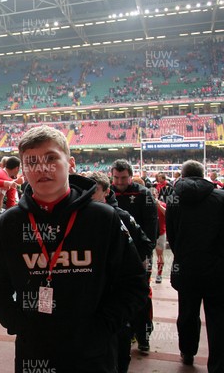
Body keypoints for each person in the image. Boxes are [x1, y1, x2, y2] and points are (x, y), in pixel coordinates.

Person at [0, 126, 148, 372]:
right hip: (34, 354)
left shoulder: (103, 218)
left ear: (69, 163)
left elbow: (134, 283)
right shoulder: (10, 223)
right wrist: (19, 324)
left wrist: (102, 327)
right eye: (32, 162)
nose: (42, 168)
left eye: (51, 158)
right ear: (23, 170)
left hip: (94, 354)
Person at [88, 171, 153, 373]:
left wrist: (125, 269)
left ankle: (142, 337)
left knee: (119, 347)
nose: (88, 195)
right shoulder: (81, 217)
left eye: (94, 191)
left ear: (106, 192)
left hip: (116, 295)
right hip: (92, 297)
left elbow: (144, 245)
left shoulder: (121, 216)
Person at [166, 160, 224, 370]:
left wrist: (182, 255)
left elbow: (171, 236)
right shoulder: (220, 198)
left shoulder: (173, 199)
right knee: (217, 318)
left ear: (182, 176)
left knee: (187, 313)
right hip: (217, 270)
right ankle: (217, 363)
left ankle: (187, 351)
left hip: (186, 268)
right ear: (203, 175)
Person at [110, 159, 157, 355]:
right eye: (116, 177)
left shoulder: (143, 194)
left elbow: (151, 226)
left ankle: (144, 335)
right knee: (120, 294)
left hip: (140, 255)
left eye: (123, 177)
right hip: (117, 256)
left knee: (142, 294)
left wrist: (146, 254)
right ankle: (126, 333)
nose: (119, 181)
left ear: (131, 175)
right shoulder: (107, 192)